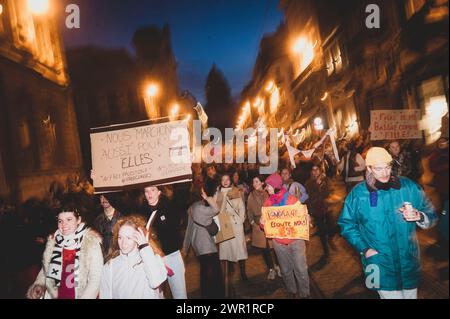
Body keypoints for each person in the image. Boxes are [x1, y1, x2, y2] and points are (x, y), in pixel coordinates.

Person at [338, 147, 438, 299]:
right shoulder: (358, 194)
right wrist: (364, 249)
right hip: (378, 263)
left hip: (408, 260)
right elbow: (346, 224)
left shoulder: (408, 187)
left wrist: (420, 216)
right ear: (369, 168)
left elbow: (431, 213)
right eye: (379, 168)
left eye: (388, 167)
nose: (385, 172)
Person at [27, 199, 103, 299]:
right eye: (60, 221)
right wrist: (39, 284)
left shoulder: (90, 242)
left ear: (78, 220)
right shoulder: (54, 241)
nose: (64, 224)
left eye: (69, 219)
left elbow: (96, 279)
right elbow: (46, 268)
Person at [260, 173, 310, 299]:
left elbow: (302, 216)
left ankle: (304, 294)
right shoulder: (267, 204)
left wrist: (306, 218)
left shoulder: (291, 200)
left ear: (275, 186)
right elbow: (266, 226)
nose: (266, 188)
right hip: (279, 243)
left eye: (268, 186)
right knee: (286, 270)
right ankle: (292, 291)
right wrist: (262, 223)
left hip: (296, 241)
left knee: (301, 269)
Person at [99, 215, 168, 299]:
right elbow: (105, 295)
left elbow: (156, 282)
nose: (123, 243)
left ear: (138, 238)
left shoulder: (151, 259)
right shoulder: (110, 266)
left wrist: (144, 248)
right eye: (120, 237)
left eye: (129, 238)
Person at [183, 179, 225, 298]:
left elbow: (189, 229)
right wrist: (208, 198)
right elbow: (216, 209)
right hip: (206, 246)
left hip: (198, 246)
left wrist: (185, 248)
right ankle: (214, 295)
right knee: (212, 272)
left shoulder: (190, 209)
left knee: (205, 272)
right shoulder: (199, 208)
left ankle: (207, 294)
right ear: (200, 193)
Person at [143, 185, 187, 299]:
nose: (149, 194)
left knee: (180, 294)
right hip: (152, 259)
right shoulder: (142, 211)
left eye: (153, 190)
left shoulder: (169, 207)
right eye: (146, 191)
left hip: (172, 256)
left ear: (159, 192)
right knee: (156, 295)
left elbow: (182, 193)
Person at [214, 173, 248, 281]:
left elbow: (242, 207)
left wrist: (241, 219)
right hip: (224, 223)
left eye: (227, 179)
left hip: (236, 223)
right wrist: (223, 198)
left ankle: (243, 272)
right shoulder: (218, 193)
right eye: (223, 180)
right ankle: (230, 273)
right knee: (228, 250)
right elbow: (217, 210)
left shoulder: (236, 191)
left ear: (230, 180)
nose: (225, 182)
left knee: (240, 248)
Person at [247, 175, 281, 280]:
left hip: (270, 223)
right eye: (253, 182)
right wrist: (252, 222)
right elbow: (249, 210)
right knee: (264, 249)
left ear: (262, 183)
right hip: (258, 225)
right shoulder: (251, 195)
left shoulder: (268, 193)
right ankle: (271, 268)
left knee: (274, 247)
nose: (255, 184)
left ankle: (278, 266)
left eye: (257, 182)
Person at [305, 165, 331, 269]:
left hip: (324, 208)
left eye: (317, 170)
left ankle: (327, 241)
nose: (315, 172)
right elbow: (312, 196)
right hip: (316, 210)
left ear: (320, 171)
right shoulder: (309, 183)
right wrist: (317, 185)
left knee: (327, 230)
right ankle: (326, 251)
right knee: (322, 232)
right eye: (313, 170)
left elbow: (326, 193)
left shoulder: (325, 181)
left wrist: (322, 185)